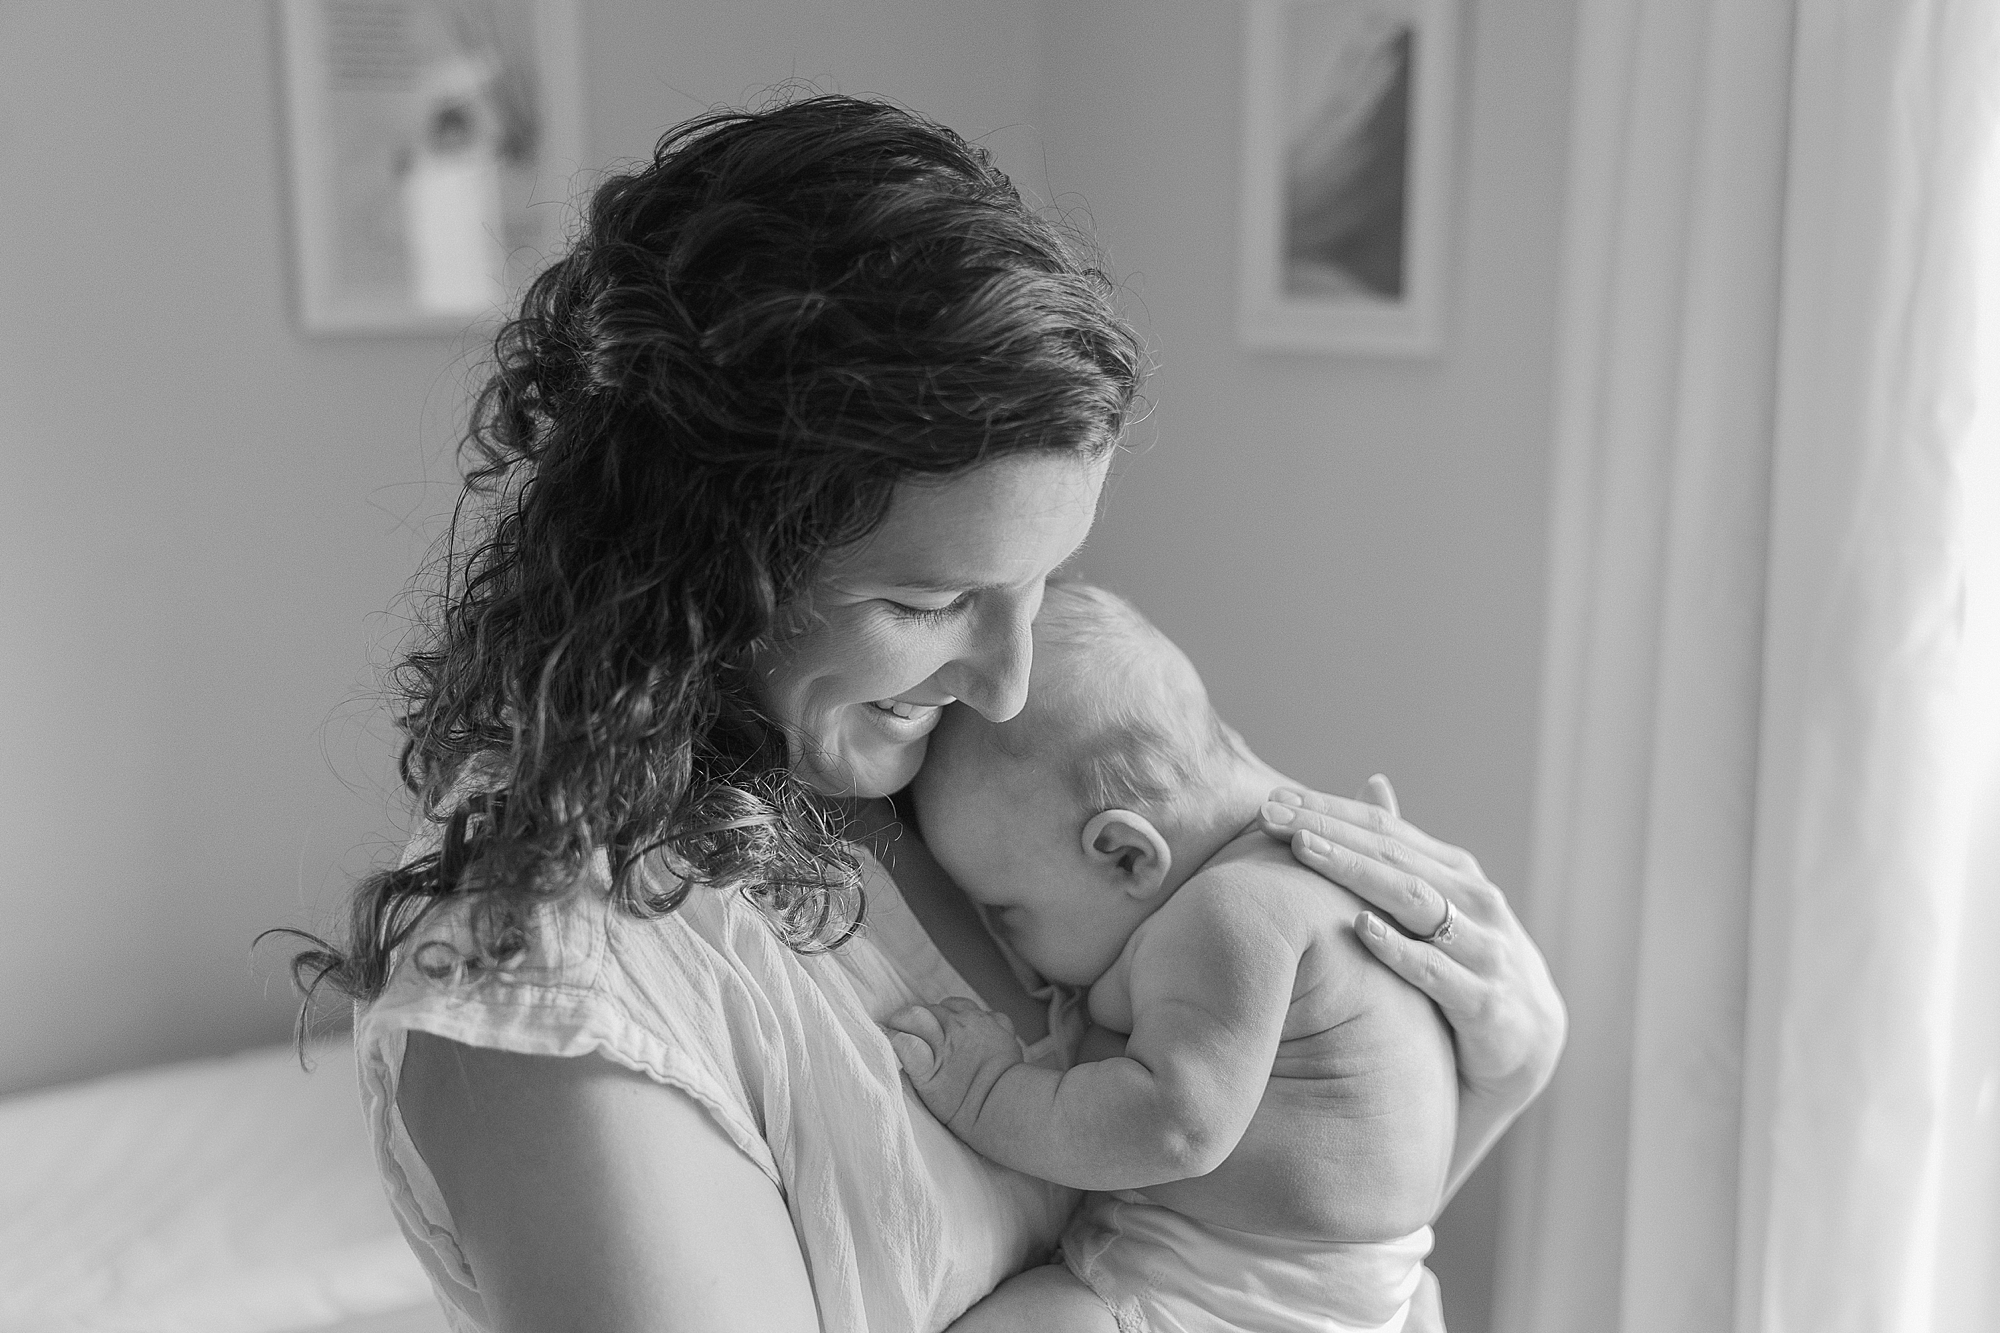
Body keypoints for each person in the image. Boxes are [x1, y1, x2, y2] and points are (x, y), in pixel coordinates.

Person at [281, 95, 1565, 1333]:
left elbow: (1233, 1277)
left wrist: (1495, 1083)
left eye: (1040, 585)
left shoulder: (948, 784)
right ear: (706, 563)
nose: (1007, 684)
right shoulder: (554, 981)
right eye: (931, 598)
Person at [894, 581, 1456, 1333]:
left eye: (1008, 910)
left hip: (1223, 1294)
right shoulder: (1317, 870)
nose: (1006, 946)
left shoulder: (1233, 910)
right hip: (1371, 1297)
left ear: (1125, 855)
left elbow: (1173, 1124)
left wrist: (987, 1091)